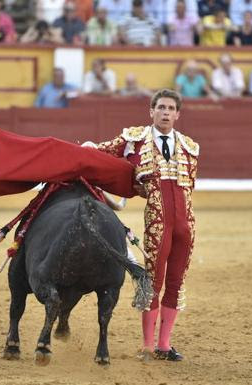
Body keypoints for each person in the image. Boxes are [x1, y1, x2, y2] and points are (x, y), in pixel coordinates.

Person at [86, 89, 199, 362]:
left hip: (186, 226)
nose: (165, 113)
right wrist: (81, 151)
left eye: (171, 108)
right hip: (158, 225)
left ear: (177, 114)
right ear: (151, 111)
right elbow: (99, 152)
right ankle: (148, 345)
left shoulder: (189, 147)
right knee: (153, 281)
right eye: (161, 107)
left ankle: (164, 345)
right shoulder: (133, 140)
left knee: (175, 283)